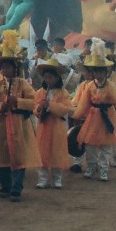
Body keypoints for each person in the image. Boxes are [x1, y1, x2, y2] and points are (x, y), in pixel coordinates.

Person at [72, 39, 116, 181]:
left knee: (105, 146)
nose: (97, 74)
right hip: (93, 117)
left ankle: (104, 170)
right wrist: (77, 116)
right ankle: (92, 167)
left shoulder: (111, 86)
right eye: (95, 71)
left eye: (100, 71)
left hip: (107, 117)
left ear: (106, 71)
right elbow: (83, 103)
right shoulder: (89, 86)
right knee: (90, 145)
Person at [0, 47, 41, 201]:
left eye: (8, 67)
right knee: (3, 154)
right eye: (3, 67)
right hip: (3, 122)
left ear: (14, 68)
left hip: (19, 123)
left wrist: (17, 101)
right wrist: (0, 106)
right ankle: (6, 186)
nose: (5, 69)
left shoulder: (23, 84)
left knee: (19, 155)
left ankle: (17, 188)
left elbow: (34, 101)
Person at [33, 58, 71, 189]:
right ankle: (42, 179)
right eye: (45, 78)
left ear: (57, 78)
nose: (47, 80)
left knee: (57, 152)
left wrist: (50, 105)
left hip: (57, 127)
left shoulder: (63, 93)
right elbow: (35, 107)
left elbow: (65, 108)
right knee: (42, 152)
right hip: (43, 127)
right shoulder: (39, 92)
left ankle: (57, 178)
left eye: (50, 77)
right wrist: (39, 109)